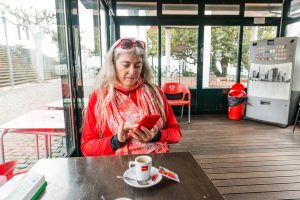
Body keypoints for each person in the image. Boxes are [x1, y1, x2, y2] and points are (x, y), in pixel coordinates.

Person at [81, 38, 181, 156]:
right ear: (113, 65)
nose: (132, 71)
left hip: (154, 163)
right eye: (126, 65)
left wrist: (157, 136)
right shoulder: (99, 97)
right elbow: (87, 147)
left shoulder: (155, 93)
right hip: (115, 165)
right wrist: (116, 141)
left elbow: (176, 134)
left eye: (137, 65)